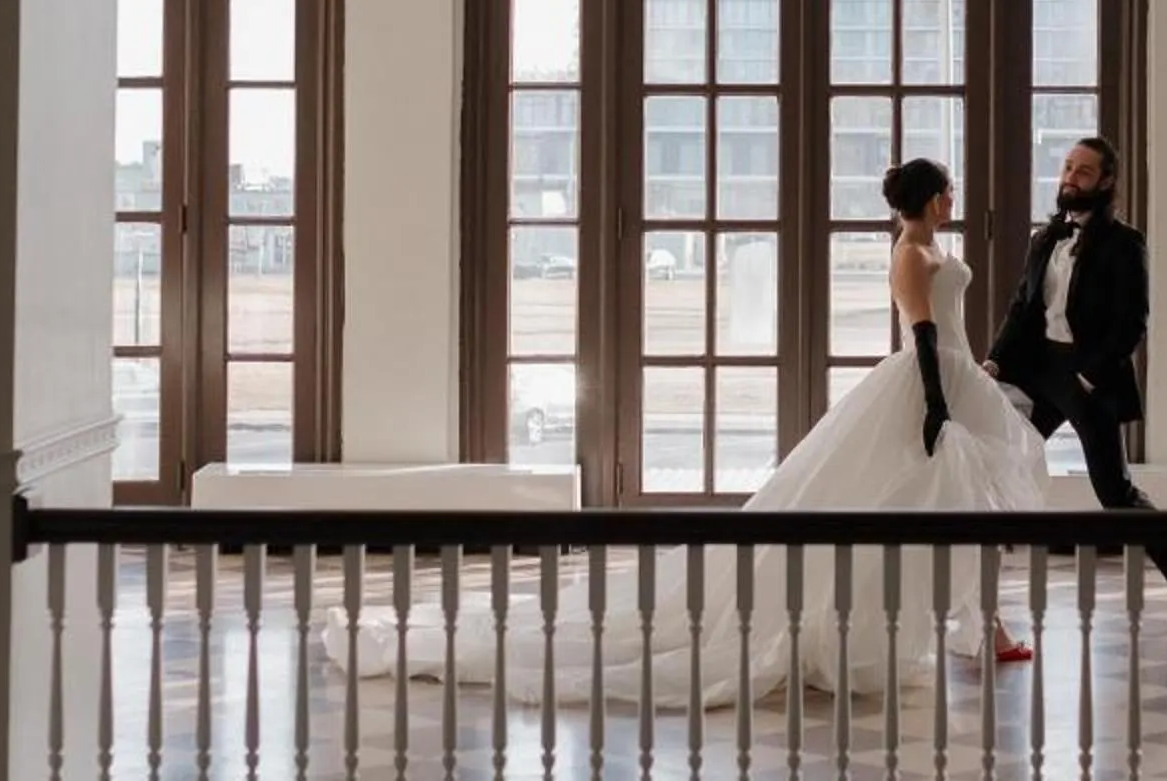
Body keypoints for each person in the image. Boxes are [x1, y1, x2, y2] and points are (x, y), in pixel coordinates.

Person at [335, 158, 1045, 706]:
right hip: (928, 383)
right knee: (928, 505)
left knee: (960, 504)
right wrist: (932, 403)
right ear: (930, 198)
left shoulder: (934, 249)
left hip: (955, 376)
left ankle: (980, 625)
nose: (953, 201)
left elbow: (944, 329)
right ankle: (956, 627)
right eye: (947, 191)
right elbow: (922, 332)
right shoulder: (911, 256)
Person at [989, 136, 1167, 631]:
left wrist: (1089, 375)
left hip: (1089, 378)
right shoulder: (1045, 238)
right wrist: (997, 363)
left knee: (1115, 493)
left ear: (1106, 181)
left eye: (1083, 171)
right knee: (998, 463)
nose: (1070, 178)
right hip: (1039, 371)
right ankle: (985, 608)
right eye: (1067, 167)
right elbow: (1022, 309)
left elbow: (1133, 321)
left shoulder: (1125, 243)